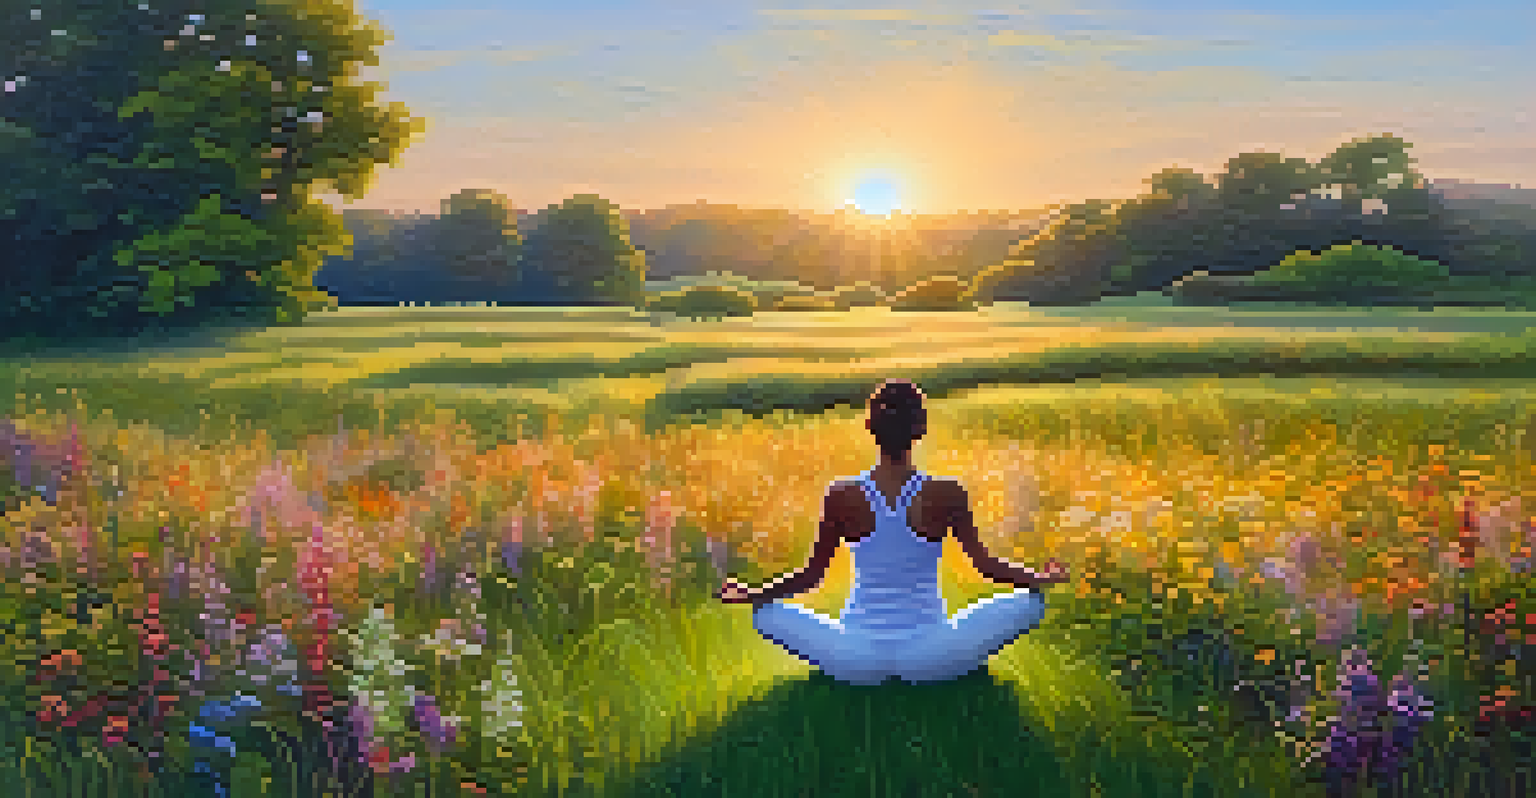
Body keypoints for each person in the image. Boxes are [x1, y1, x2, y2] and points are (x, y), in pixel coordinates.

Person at [716, 378, 1069, 686]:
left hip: (857, 659)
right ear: (921, 429)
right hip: (930, 657)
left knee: (764, 614)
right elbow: (985, 566)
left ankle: (863, 668)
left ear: (870, 427)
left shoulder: (841, 494)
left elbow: (810, 577)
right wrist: (1039, 577)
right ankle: (955, 666)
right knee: (1031, 603)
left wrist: (752, 593)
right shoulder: (947, 493)